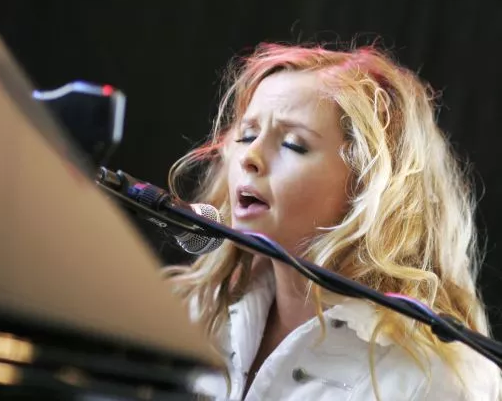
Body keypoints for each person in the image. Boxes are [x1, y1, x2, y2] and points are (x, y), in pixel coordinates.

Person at [162, 41, 501, 400]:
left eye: (293, 144)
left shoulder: (437, 379)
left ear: (368, 184)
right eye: (247, 136)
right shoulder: (197, 312)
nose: (250, 157)